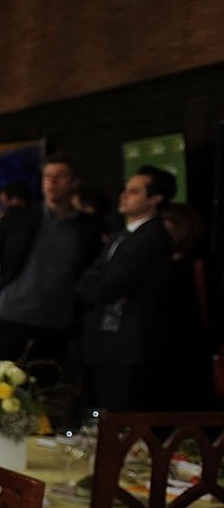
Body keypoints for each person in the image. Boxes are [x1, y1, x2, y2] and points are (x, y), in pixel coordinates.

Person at [0, 157, 100, 389]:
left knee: (46, 389)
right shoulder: (19, 216)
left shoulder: (86, 227)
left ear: (74, 183)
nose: (52, 182)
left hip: (57, 320)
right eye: (47, 176)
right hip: (13, 313)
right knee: (2, 387)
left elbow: (89, 271)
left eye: (60, 176)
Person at [76, 167, 176, 411]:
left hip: (127, 343)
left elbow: (107, 286)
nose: (124, 196)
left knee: (118, 411)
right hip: (106, 339)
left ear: (155, 198)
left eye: (134, 191)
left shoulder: (151, 237)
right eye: (125, 190)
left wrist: (95, 284)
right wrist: (93, 282)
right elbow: (89, 278)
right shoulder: (123, 234)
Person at [153, 202, 217, 407]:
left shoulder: (200, 264)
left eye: (167, 221)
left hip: (191, 347)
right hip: (158, 347)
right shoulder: (154, 263)